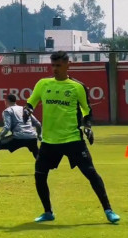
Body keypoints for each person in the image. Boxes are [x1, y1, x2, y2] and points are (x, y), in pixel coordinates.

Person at [24, 51, 120, 223]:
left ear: (68, 65)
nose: (55, 69)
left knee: (91, 174)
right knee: (39, 175)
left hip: (72, 139)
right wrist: (27, 110)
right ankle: (48, 212)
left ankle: (108, 210)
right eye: (52, 65)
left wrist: (88, 127)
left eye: (58, 65)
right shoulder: (43, 84)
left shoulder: (77, 87)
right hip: (49, 141)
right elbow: (31, 102)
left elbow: (87, 111)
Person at [0, 94, 41, 177]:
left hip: (18, 136)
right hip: (32, 136)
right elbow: (38, 124)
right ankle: (43, 169)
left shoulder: (7, 111)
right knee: (35, 150)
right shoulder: (25, 109)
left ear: (7, 101)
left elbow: (7, 127)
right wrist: (39, 135)